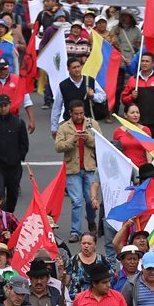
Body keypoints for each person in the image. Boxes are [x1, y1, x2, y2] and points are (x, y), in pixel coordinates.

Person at [54, 98, 100, 241]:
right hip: (72, 169)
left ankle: (91, 221)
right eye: (76, 114)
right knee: (77, 201)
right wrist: (72, 140)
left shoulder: (92, 124)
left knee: (90, 199)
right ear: (70, 113)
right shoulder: (64, 127)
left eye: (81, 113)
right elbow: (58, 146)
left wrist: (89, 139)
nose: (79, 117)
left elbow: (102, 143)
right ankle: (75, 231)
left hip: (90, 167)